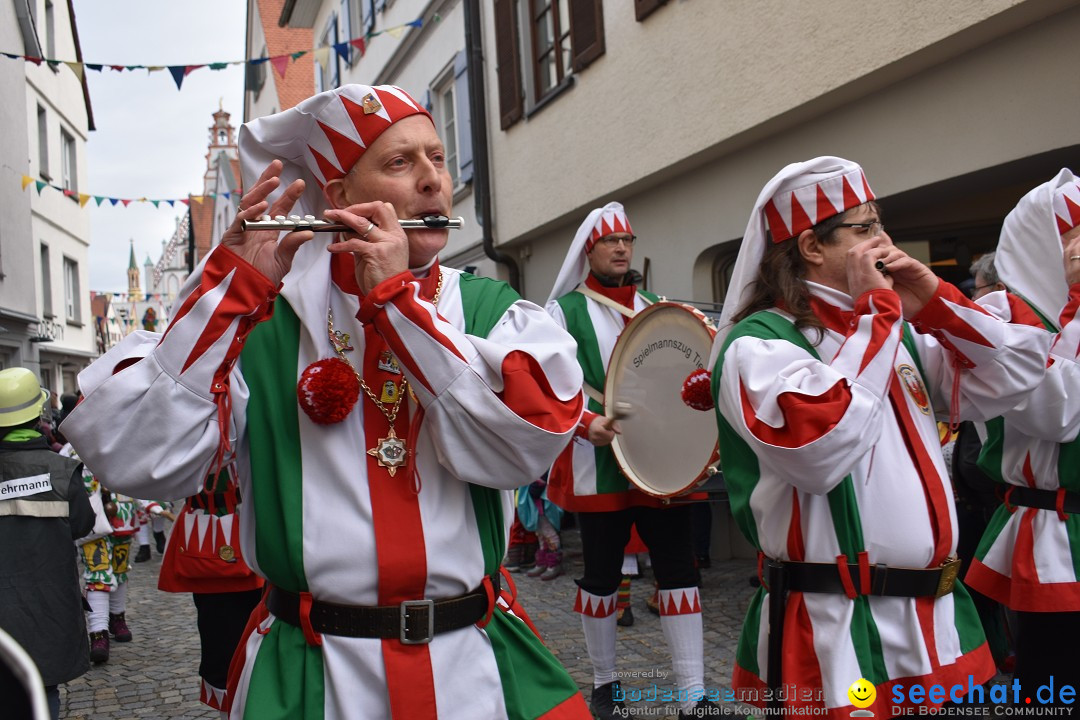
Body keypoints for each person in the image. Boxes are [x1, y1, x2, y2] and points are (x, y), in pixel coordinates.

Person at [61, 83, 589, 720]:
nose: (432, 182)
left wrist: (398, 304)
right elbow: (140, 458)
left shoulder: (489, 311)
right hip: (314, 673)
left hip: (474, 667)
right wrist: (230, 294)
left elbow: (521, 446)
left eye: (438, 159)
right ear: (339, 196)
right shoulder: (262, 323)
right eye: (399, 163)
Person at [706, 157, 1050, 717]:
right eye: (864, 229)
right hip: (834, 623)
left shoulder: (894, 333)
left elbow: (1019, 371)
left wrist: (936, 302)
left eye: (878, 224)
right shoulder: (760, 345)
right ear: (812, 247)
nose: (884, 242)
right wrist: (882, 317)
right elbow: (819, 451)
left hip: (932, 620)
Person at [546, 202, 714, 720]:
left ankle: (692, 693)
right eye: (609, 241)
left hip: (660, 458)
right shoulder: (562, 313)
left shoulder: (656, 309)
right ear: (588, 251)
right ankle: (605, 682)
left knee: (679, 569)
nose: (621, 248)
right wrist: (581, 424)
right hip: (595, 462)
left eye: (627, 240)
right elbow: (548, 387)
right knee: (600, 575)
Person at [963, 170, 1080, 703]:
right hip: (1051, 526)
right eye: (1072, 233)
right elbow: (1059, 414)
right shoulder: (1008, 316)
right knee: (1052, 683)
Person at [0, 367, 94, 719]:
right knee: (42, 689)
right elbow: (83, 524)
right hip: (47, 604)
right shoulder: (61, 471)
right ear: (39, 415)